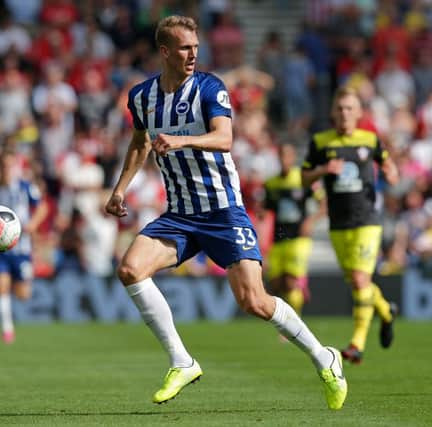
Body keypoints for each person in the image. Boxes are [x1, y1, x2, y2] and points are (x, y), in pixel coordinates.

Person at [105, 15, 347, 410]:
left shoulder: (209, 87)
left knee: (254, 301)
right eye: (184, 48)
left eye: (196, 48)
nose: (192, 55)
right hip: (181, 214)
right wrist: (119, 189)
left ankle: (325, 357)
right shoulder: (142, 97)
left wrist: (181, 140)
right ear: (164, 51)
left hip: (222, 211)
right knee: (130, 269)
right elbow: (139, 143)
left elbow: (225, 137)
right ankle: (181, 361)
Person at [301, 86, 399, 365]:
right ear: (333, 112)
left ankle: (357, 344)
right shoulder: (321, 142)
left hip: (367, 220)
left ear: (358, 113)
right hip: (338, 223)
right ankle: (386, 310)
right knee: (360, 282)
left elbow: (389, 165)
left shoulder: (370, 139)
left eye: (350, 108)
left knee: (359, 280)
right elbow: (304, 177)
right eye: (340, 108)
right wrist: (322, 171)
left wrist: (392, 173)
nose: (344, 113)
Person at [0, 150, 47, 344]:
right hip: (0, 249)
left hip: (22, 249)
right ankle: (7, 330)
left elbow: (42, 207)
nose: (7, 169)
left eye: (10, 165)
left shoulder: (25, 187)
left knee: (23, 294)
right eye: (3, 166)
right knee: (1, 286)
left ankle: (15, 295)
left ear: (16, 167)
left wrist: (33, 223)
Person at [264, 143, 325, 315]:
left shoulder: (303, 180)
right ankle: (299, 292)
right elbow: (267, 211)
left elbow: (324, 205)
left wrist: (310, 222)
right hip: (279, 238)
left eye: (288, 156)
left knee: (290, 282)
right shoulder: (271, 183)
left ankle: (293, 322)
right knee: (276, 284)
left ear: (293, 158)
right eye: (282, 156)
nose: (284, 160)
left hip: (299, 238)